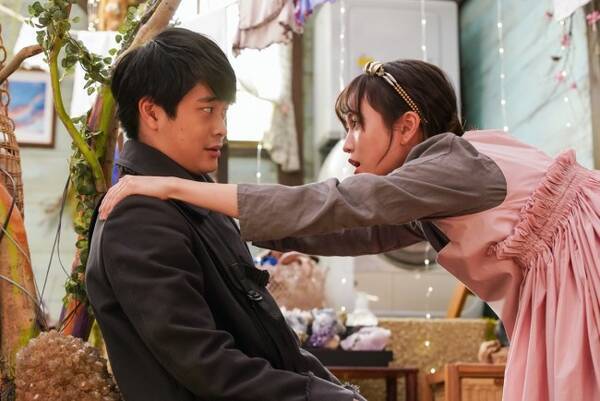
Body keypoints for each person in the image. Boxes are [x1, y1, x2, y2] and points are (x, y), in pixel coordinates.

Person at [100, 58, 600, 401]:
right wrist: (220, 218)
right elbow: (345, 231)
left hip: (585, 274)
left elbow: (336, 204)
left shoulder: (452, 163)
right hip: (565, 284)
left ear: (407, 127)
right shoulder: (435, 185)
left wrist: (179, 188)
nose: (347, 144)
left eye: (358, 125)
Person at [85, 27, 364, 401]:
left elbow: (271, 338)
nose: (221, 129)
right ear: (151, 112)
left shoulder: (192, 196)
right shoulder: (139, 216)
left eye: (224, 112)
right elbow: (208, 366)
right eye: (207, 110)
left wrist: (339, 393)